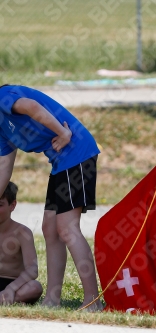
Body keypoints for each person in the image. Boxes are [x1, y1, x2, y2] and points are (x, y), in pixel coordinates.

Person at [0, 84, 103, 311]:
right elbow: (4, 169)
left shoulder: (3, 97)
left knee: (67, 228)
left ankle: (92, 301)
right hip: (61, 163)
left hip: (77, 153)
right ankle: (52, 300)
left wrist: (63, 132)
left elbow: (32, 106)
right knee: (50, 228)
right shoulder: (1, 129)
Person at [0, 181, 43, 305]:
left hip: (14, 283)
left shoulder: (22, 233)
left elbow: (32, 269)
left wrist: (11, 288)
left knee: (35, 287)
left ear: (12, 205)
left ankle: (7, 297)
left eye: (0, 204)